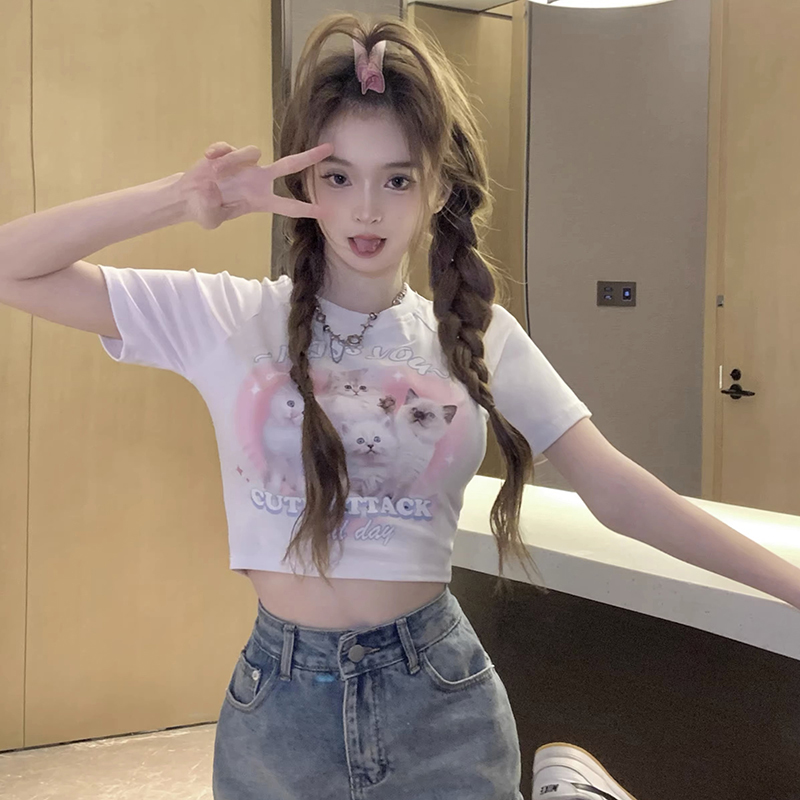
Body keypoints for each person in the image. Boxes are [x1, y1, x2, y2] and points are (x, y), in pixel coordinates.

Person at [0, 11, 752, 800]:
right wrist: (182, 197)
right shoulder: (228, 317)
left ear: (438, 188)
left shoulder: (479, 335)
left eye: (396, 179)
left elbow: (619, 490)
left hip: (441, 699)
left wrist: (789, 585)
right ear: (304, 184)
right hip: (280, 710)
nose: (366, 210)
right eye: (338, 177)